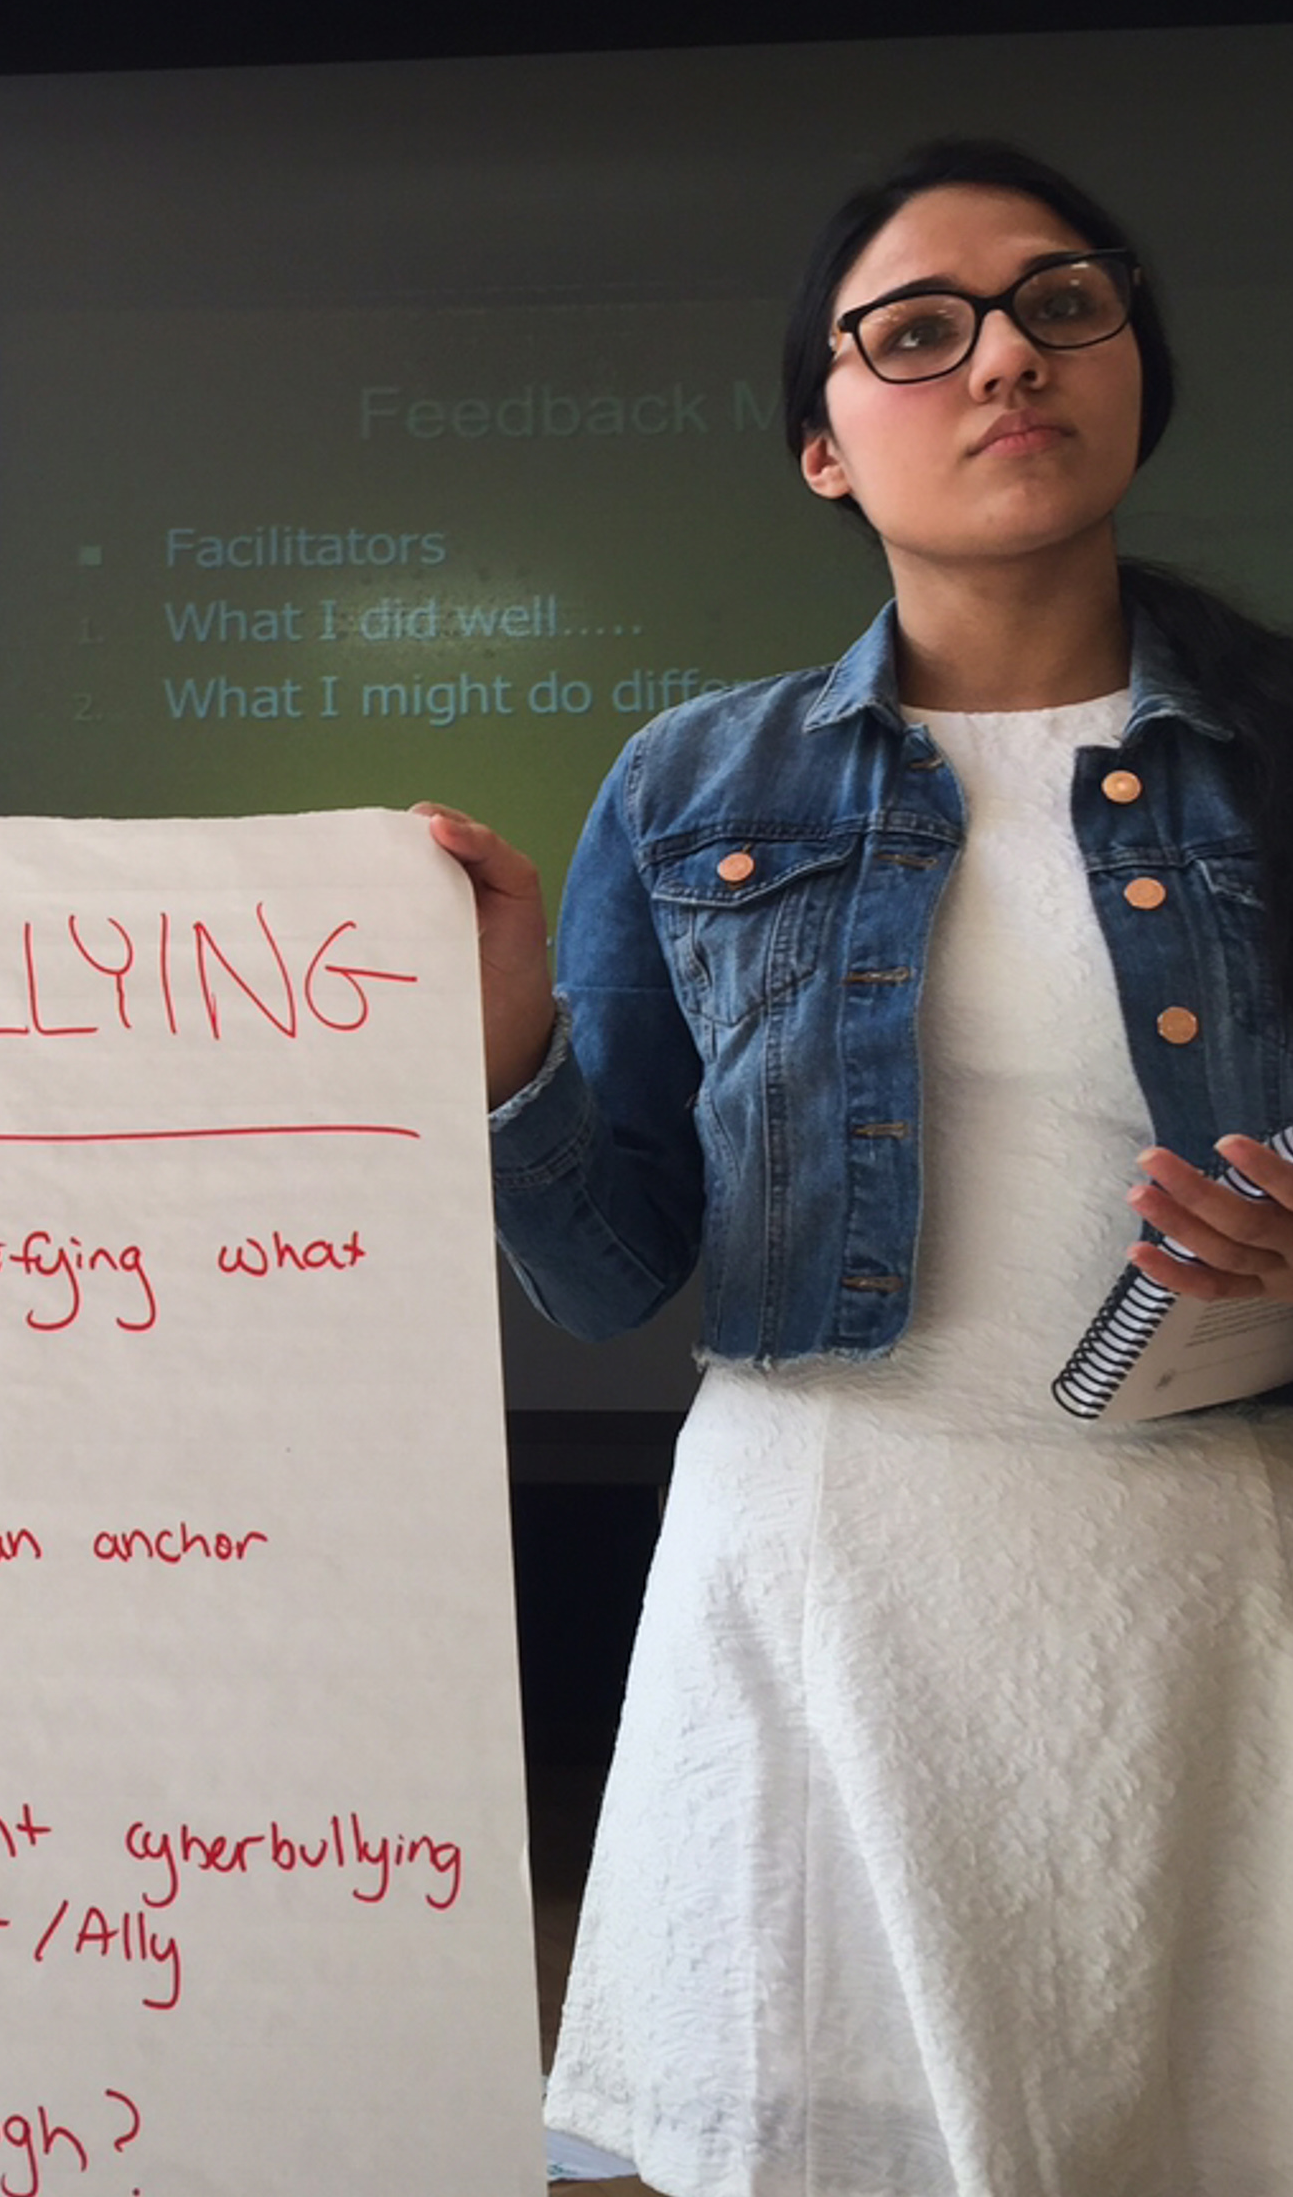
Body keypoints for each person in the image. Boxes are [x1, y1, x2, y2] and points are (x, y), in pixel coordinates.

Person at [426, 140, 1293, 2194]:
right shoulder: (691, 779)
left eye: (1058, 304)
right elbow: (610, 1261)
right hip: (810, 1563)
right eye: (916, 332)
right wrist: (502, 1051)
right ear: (821, 444)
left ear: (1130, 376)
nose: (1001, 358)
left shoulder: (1274, 746)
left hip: (1192, 1577)